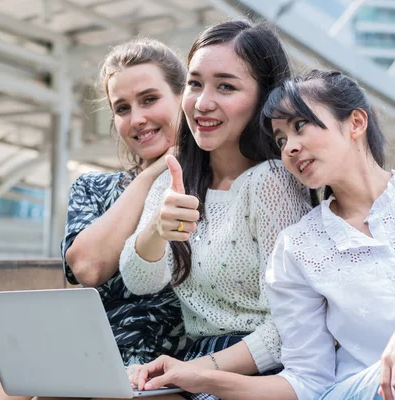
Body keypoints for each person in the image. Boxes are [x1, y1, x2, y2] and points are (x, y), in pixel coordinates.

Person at [128, 70, 395, 400]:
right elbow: (305, 383)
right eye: (281, 139)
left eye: (300, 126)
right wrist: (202, 378)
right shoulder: (297, 247)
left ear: (356, 123)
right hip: (357, 392)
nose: (289, 147)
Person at [0, 38, 189, 400]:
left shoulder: (202, 186)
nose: (137, 119)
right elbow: (87, 266)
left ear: (183, 97)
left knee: (32, 372)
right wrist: (150, 174)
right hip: (87, 333)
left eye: (150, 99)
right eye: (121, 108)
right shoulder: (93, 187)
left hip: (150, 345)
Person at [120, 20, 312, 400]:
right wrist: (158, 230)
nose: (202, 102)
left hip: (261, 369)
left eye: (226, 86)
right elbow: (140, 281)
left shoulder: (273, 181)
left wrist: (198, 371)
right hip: (195, 359)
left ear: (264, 98)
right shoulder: (175, 181)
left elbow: (294, 325)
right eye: (194, 84)